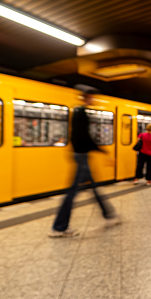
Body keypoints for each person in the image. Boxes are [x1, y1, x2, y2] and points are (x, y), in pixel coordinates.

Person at [49, 87, 120, 238]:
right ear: (87, 97)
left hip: (81, 155)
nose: (93, 100)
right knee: (72, 192)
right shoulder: (81, 113)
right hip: (81, 156)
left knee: (93, 188)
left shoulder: (78, 112)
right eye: (92, 97)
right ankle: (59, 227)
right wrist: (100, 150)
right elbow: (83, 136)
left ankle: (110, 215)